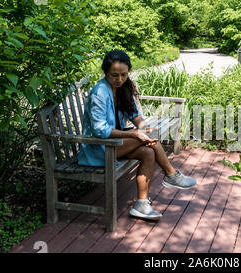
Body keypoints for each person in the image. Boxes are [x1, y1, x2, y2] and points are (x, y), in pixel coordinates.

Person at [77, 49, 196, 221]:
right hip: (98, 147)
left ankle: (141, 204)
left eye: (124, 75)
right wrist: (134, 134)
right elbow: (99, 130)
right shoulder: (100, 92)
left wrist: (143, 127)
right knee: (151, 143)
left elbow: (134, 115)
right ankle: (171, 175)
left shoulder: (123, 88)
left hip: (114, 143)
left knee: (148, 151)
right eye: (114, 75)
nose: (119, 79)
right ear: (105, 71)